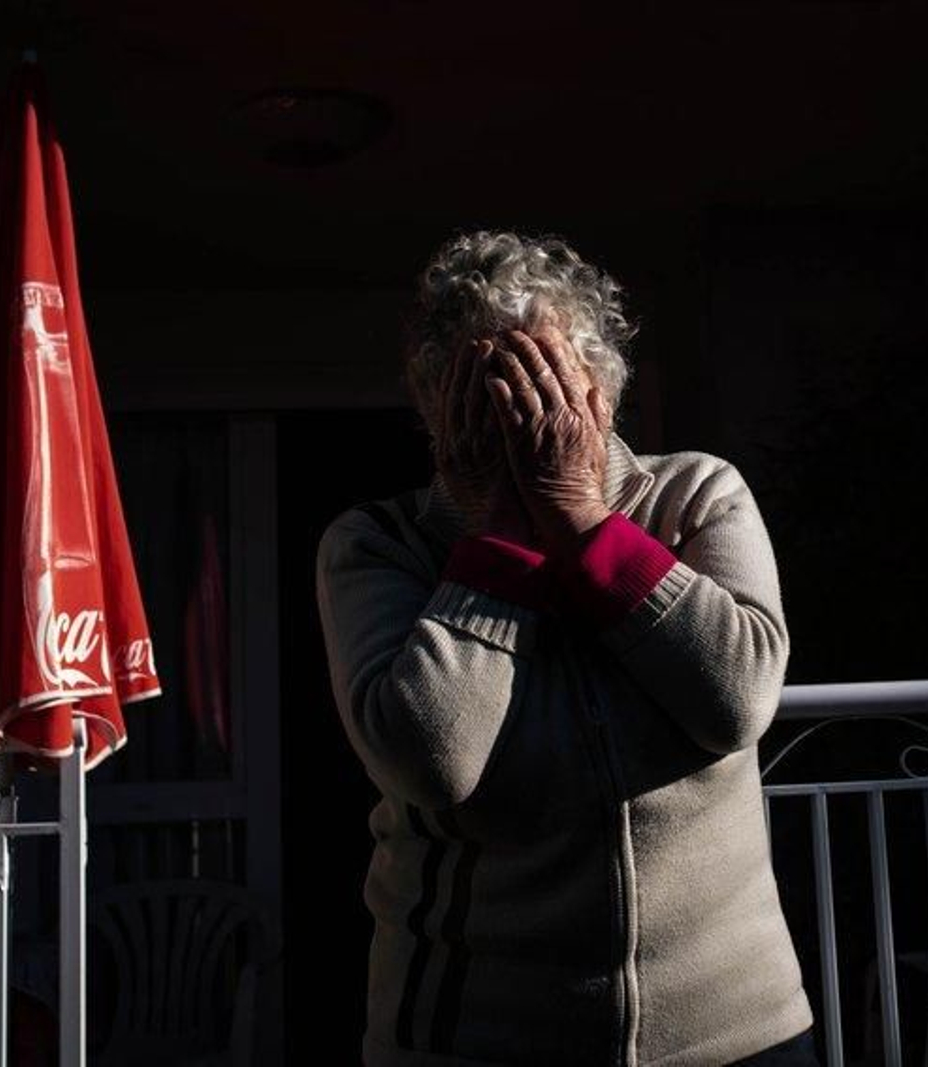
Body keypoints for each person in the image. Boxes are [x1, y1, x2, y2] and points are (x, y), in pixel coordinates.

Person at [316, 230, 818, 1066]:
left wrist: (582, 518)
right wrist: (501, 537)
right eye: (487, 390)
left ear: (600, 393)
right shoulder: (378, 544)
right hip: (476, 1037)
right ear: (438, 411)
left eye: (541, 382)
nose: (518, 416)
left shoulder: (696, 492)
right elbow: (430, 758)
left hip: (737, 1027)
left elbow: (736, 700)